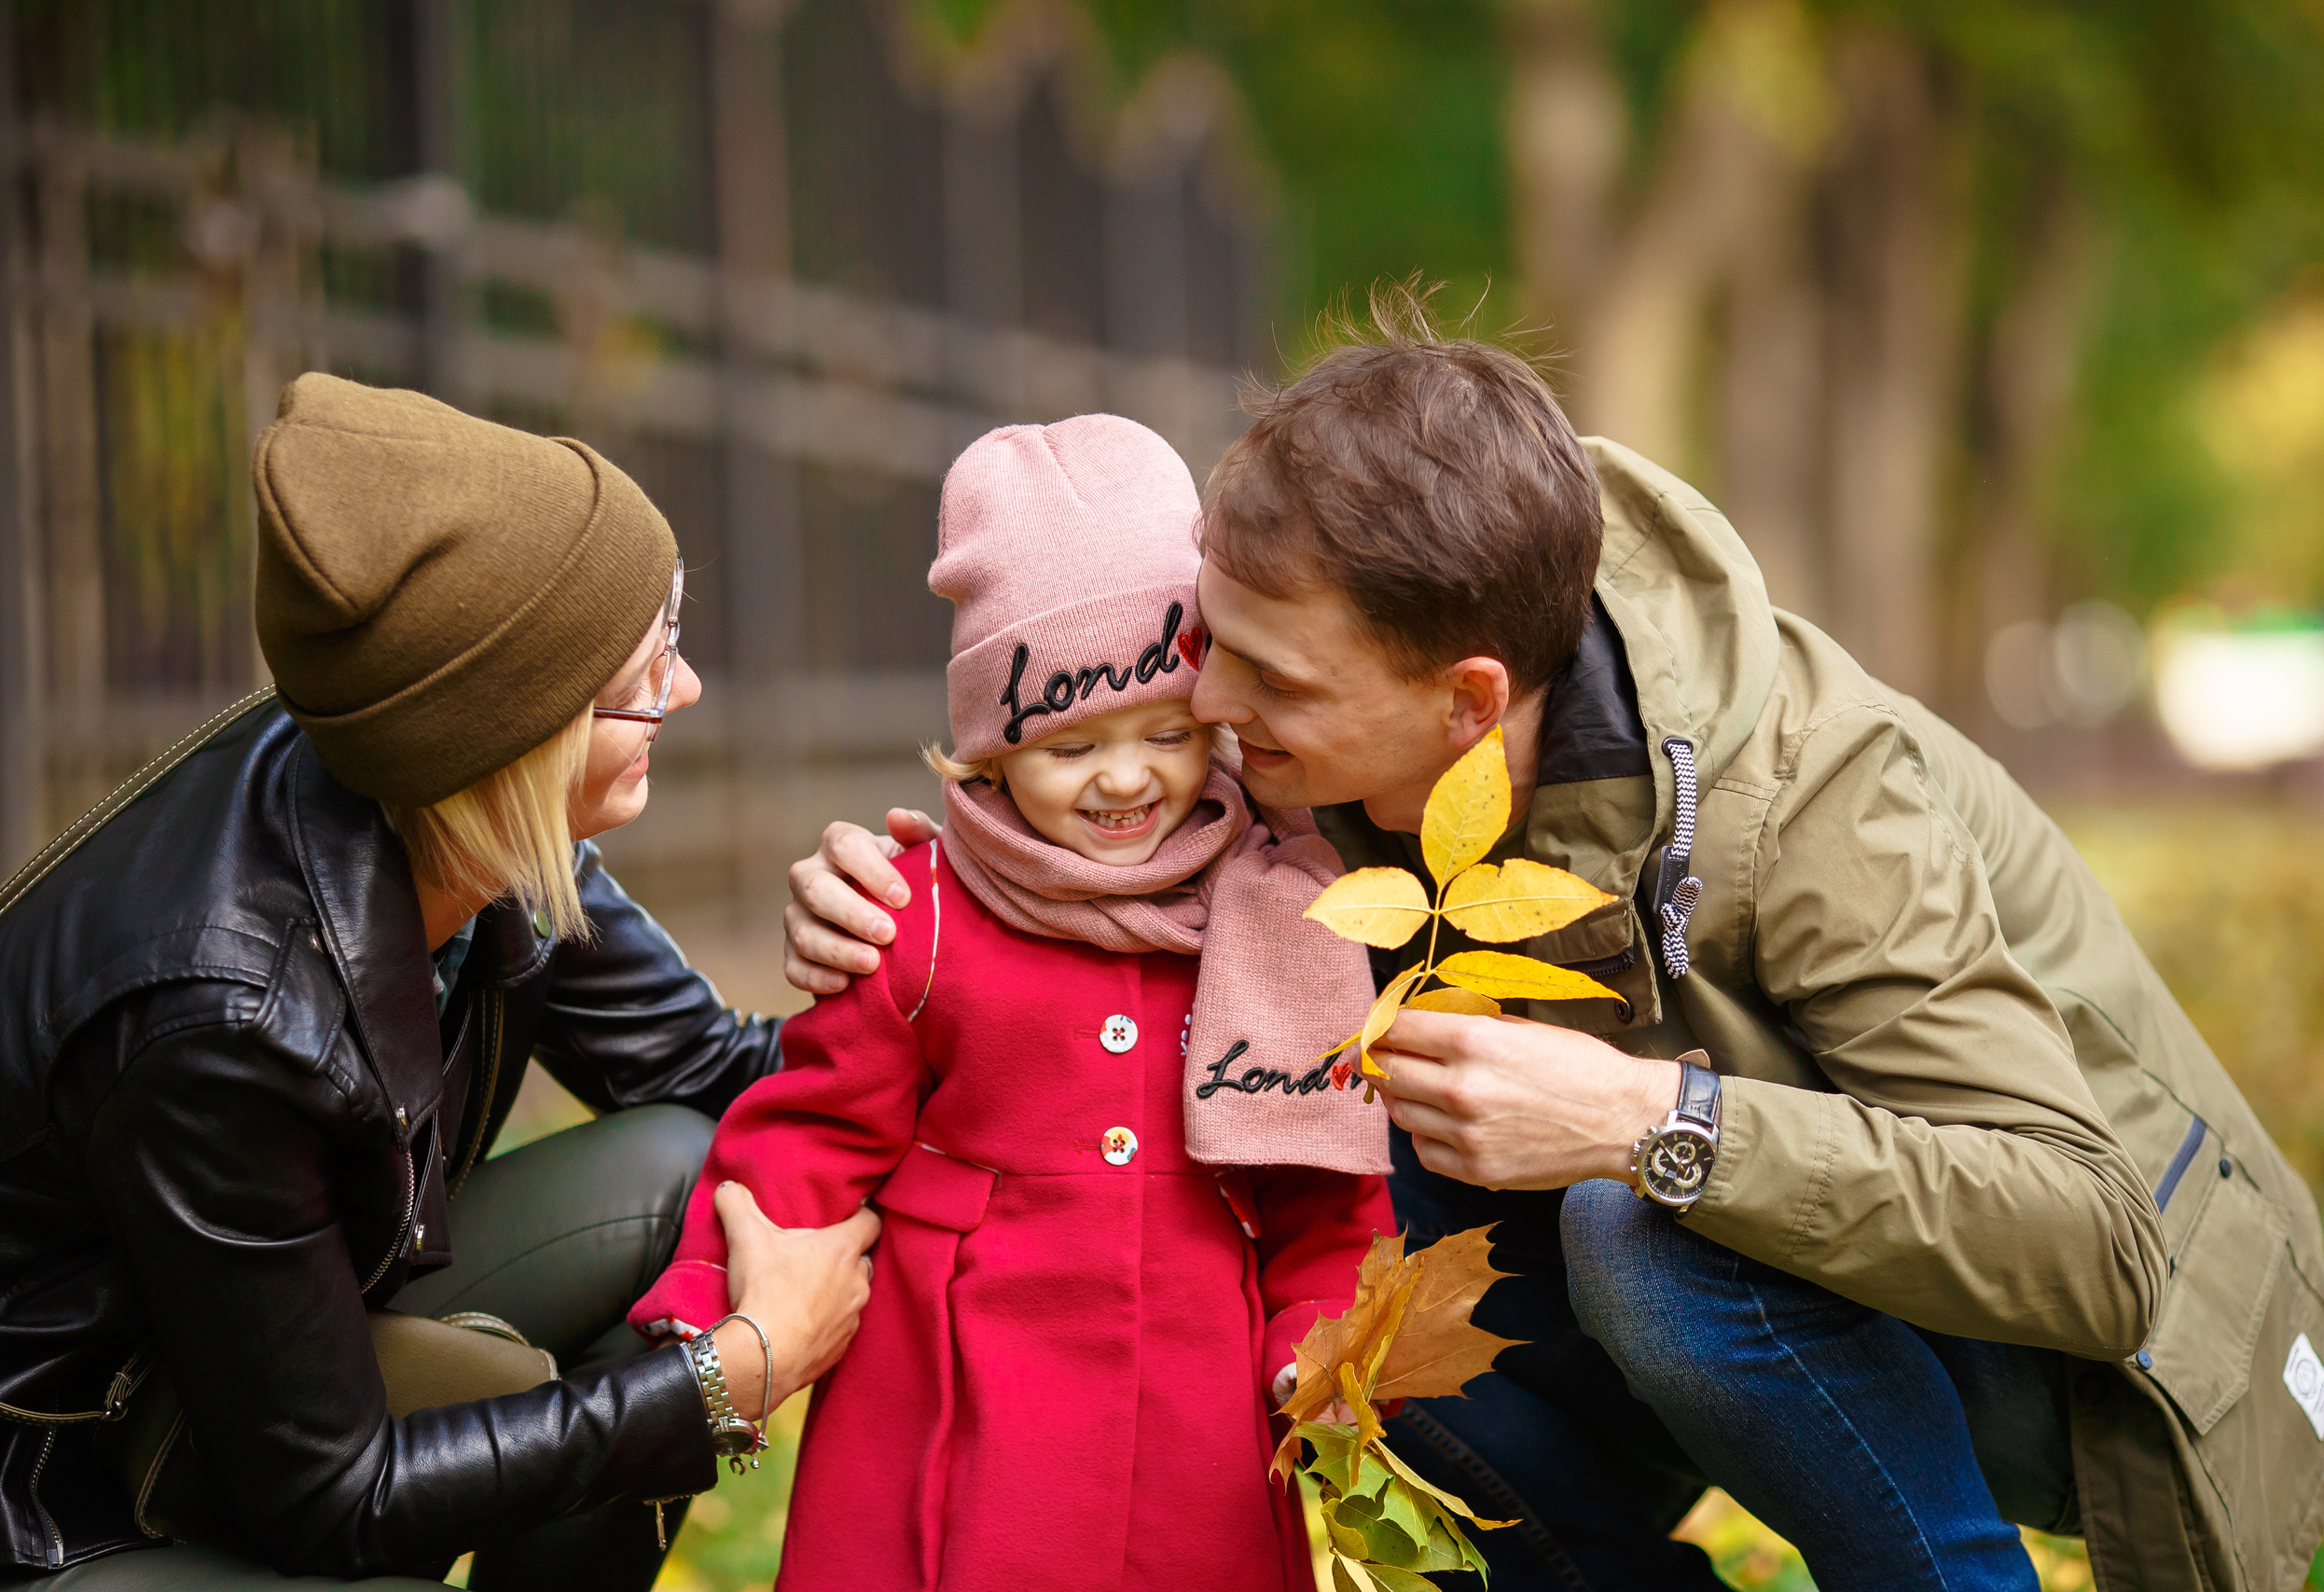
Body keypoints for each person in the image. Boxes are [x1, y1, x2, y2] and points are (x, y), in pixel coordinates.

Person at [781, 292, 2324, 1592]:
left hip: (2099, 1363)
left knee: (1637, 1230)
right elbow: (1087, 790)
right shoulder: (1352, 684)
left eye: (1267, 686)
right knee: (1351, 1294)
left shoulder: (1819, 802)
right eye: (1207, 648)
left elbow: (2103, 1253)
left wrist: (1646, 1115)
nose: (1215, 720)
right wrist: (916, 876)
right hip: (1784, 1282)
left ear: (1461, 699)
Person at [0, 375, 877, 1591]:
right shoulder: (224, 1011)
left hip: (209, 1374)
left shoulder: (470, 819)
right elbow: (333, 1499)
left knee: (696, 1163)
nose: (682, 692)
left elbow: (723, 1074)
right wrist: (723, 1383)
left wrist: (936, 953)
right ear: (520, 725)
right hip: (18, 1486)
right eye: (648, 665)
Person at [629, 416, 1394, 1590]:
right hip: (952, 1379)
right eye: (1069, 746)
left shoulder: (1276, 909)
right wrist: (709, 1296)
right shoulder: (921, 916)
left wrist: (1318, 1340)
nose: (1128, 777)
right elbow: (818, 1127)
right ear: (985, 753)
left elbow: (1317, 1188)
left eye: (1170, 731)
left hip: (1195, 1383)